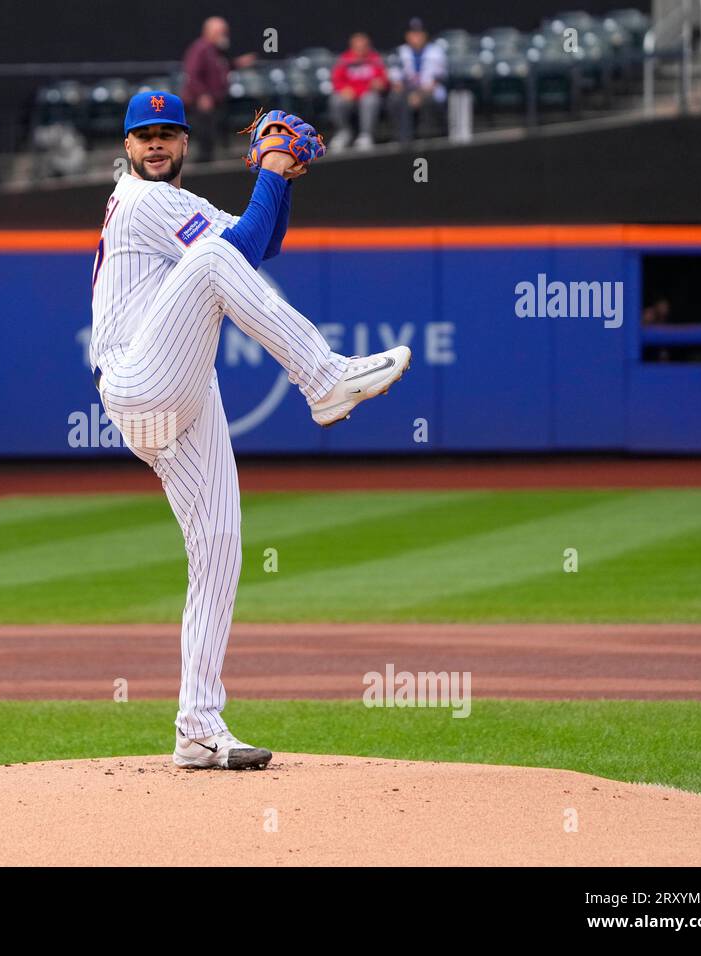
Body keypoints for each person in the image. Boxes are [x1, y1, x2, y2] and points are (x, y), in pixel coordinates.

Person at [88, 91, 411, 769]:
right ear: (125, 149)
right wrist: (268, 167)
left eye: (166, 134)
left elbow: (256, 247)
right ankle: (323, 380)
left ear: (183, 144)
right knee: (210, 263)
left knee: (220, 546)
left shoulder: (180, 203)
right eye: (142, 135)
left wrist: (280, 177)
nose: (154, 144)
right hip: (138, 383)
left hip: (179, 390)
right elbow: (226, 254)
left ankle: (198, 728)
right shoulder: (143, 201)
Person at [180, 16, 256, 163]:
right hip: (202, 98)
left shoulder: (216, 50)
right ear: (209, 32)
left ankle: (220, 155)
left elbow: (223, 66)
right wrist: (202, 94)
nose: (224, 35)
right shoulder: (200, 49)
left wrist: (238, 63)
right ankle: (204, 160)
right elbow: (192, 74)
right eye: (220, 32)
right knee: (204, 129)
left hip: (217, 98)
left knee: (219, 127)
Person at [388, 17, 447, 144]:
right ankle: (402, 139)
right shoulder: (399, 52)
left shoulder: (436, 51)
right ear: (407, 36)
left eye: (419, 34)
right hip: (407, 91)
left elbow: (435, 81)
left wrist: (419, 95)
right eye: (413, 34)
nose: (416, 37)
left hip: (428, 90)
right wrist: (410, 95)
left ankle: (430, 138)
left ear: (425, 35)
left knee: (431, 98)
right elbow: (397, 82)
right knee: (396, 98)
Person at [329, 32, 389, 150]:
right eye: (357, 47)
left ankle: (366, 135)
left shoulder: (374, 58)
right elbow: (336, 80)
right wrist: (343, 89)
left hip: (368, 96)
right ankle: (344, 132)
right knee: (336, 100)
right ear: (352, 47)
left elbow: (384, 81)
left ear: (368, 46)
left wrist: (380, 84)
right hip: (350, 97)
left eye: (363, 47)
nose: (360, 50)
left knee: (370, 99)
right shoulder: (345, 59)